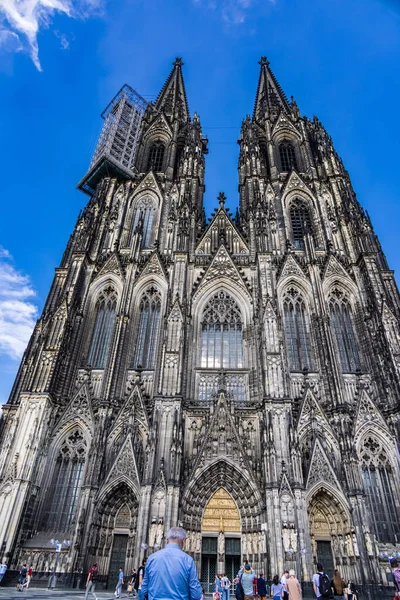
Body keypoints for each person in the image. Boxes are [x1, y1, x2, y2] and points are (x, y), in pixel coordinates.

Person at [141, 526, 202, 600]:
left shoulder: (151, 558)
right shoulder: (188, 561)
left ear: (166, 540)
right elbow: (196, 595)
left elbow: (144, 589)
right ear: (183, 541)